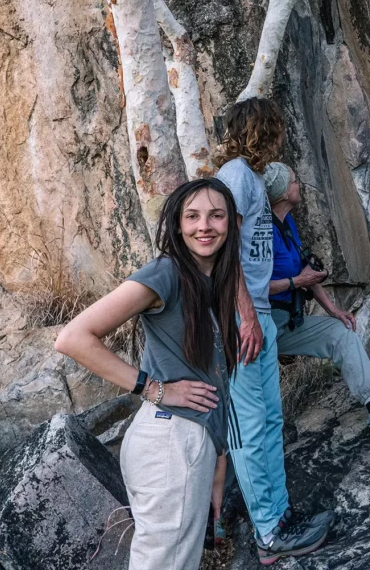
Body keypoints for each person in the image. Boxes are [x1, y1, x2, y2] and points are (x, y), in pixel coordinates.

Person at [54, 179, 241, 570]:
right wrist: (154, 388)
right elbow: (73, 338)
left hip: (187, 441)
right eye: (192, 216)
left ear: (231, 223)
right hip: (172, 444)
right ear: (176, 225)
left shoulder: (209, 280)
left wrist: (218, 457)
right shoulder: (166, 273)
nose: (204, 225)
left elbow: (213, 375)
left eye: (215, 215)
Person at [213, 98, 331, 565]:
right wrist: (244, 314)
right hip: (240, 317)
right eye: (276, 130)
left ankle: (280, 518)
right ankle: (267, 532)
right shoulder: (236, 176)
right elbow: (226, 252)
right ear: (263, 130)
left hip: (258, 312)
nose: (281, 137)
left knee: (269, 422)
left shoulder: (254, 179)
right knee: (249, 428)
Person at [263, 162, 370, 434]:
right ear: (280, 193)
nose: (298, 184)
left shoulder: (286, 223)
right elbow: (254, 287)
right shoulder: (263, 232)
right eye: (293, 181)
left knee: (340, 331)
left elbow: (305, 270)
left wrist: (334, 310)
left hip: (288, 322)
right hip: (264, 327)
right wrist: (297, 281)